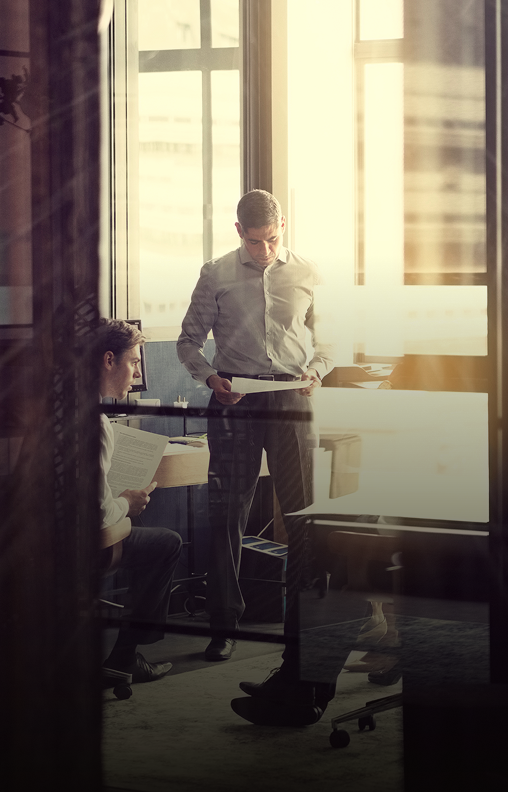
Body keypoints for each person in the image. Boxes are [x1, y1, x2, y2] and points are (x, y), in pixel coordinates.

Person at [177, 189, 333, 725]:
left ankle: (300, 639)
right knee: (225, 516)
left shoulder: (308, 272)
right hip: (235, 400)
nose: (264, 251)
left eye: (272, 239)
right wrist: (210, 378)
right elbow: (188, 342)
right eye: (253, 240)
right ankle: (225, 627)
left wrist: (320, 371)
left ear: (282, 226)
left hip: (291, 396)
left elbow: (328, 338)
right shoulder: (216, 273)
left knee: (304, 520)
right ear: (237, 230)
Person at [98, 319, 182, 682]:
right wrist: (126, 504)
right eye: (133, 362)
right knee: (167, 543)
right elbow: (99, 514)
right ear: (108, 360)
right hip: (83, 543)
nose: (137, 372)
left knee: (142, 529)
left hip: (40, 540)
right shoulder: (95, 424)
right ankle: (125, 654)